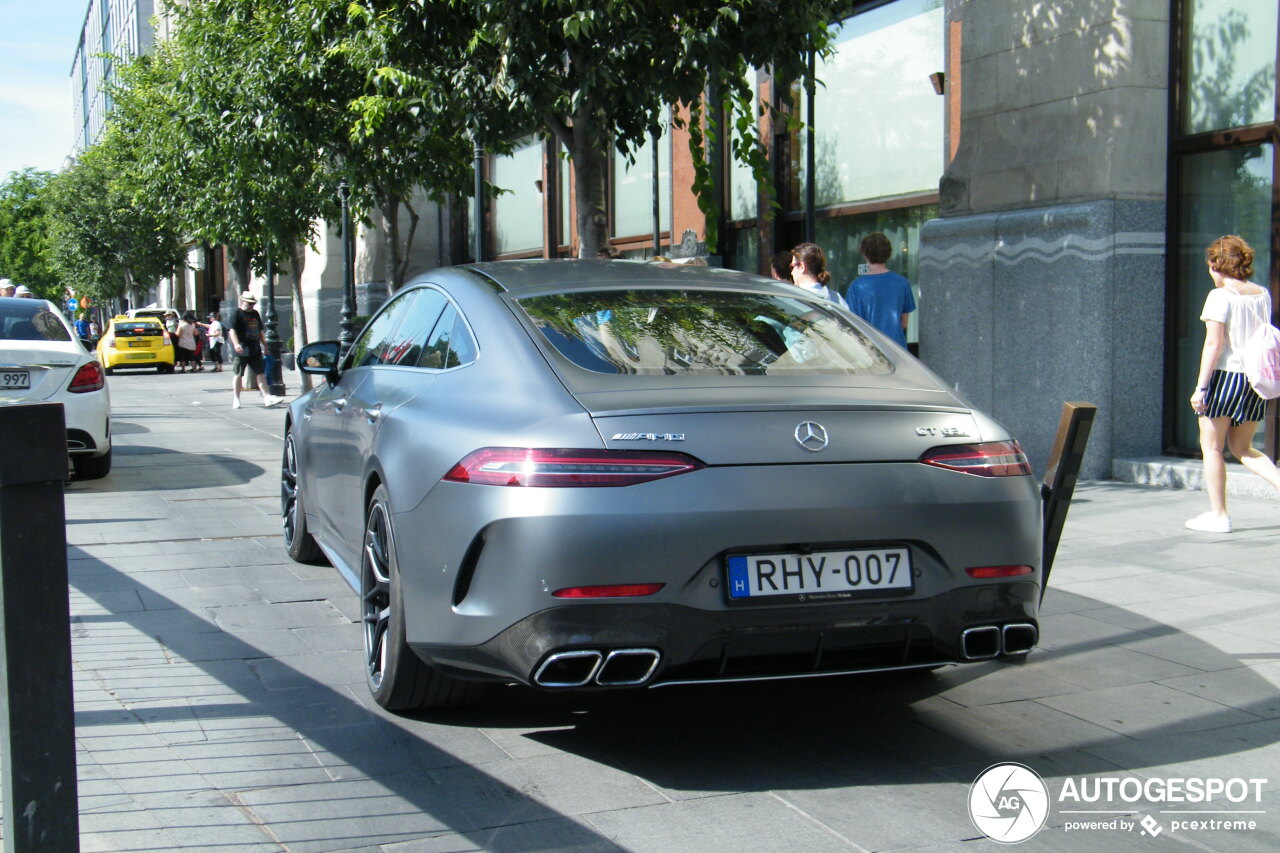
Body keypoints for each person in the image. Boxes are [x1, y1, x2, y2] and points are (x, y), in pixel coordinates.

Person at [1186, 235, 1280, 533]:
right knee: (1244, 448)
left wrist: (1201, 388)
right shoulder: (1262, 293)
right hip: (1255, 379)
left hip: (1226, 377)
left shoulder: (1220, 297)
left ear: (1217, 264)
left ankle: (1219, 515)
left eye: (1210, 265)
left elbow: (1213, 345)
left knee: (1212, 447)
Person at [845, 232, 916, 347]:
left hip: (869, 350)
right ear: (888, 253)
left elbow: (852, 325)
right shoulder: (902, 283)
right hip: (897, 350)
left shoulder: (857, 286)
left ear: (865, 253)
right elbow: (903, 323)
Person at [228, 291, 283, 408]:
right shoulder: (236, 313)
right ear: (243, 301)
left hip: (255, 348)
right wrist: (236, 344)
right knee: (238, 374)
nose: (251, 305)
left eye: (253, 303)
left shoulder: (255, 314)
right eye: (249, 303)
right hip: (241, 349)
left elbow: (260, 331)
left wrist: (265, 346)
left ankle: (267, 397)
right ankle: (236, 399)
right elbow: (232, 330)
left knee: (260, 373)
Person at [789, 242, 846, 307]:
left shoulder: (793, 302)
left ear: (802, 266)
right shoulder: (838, 299)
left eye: (792, 266)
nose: (792, 272)